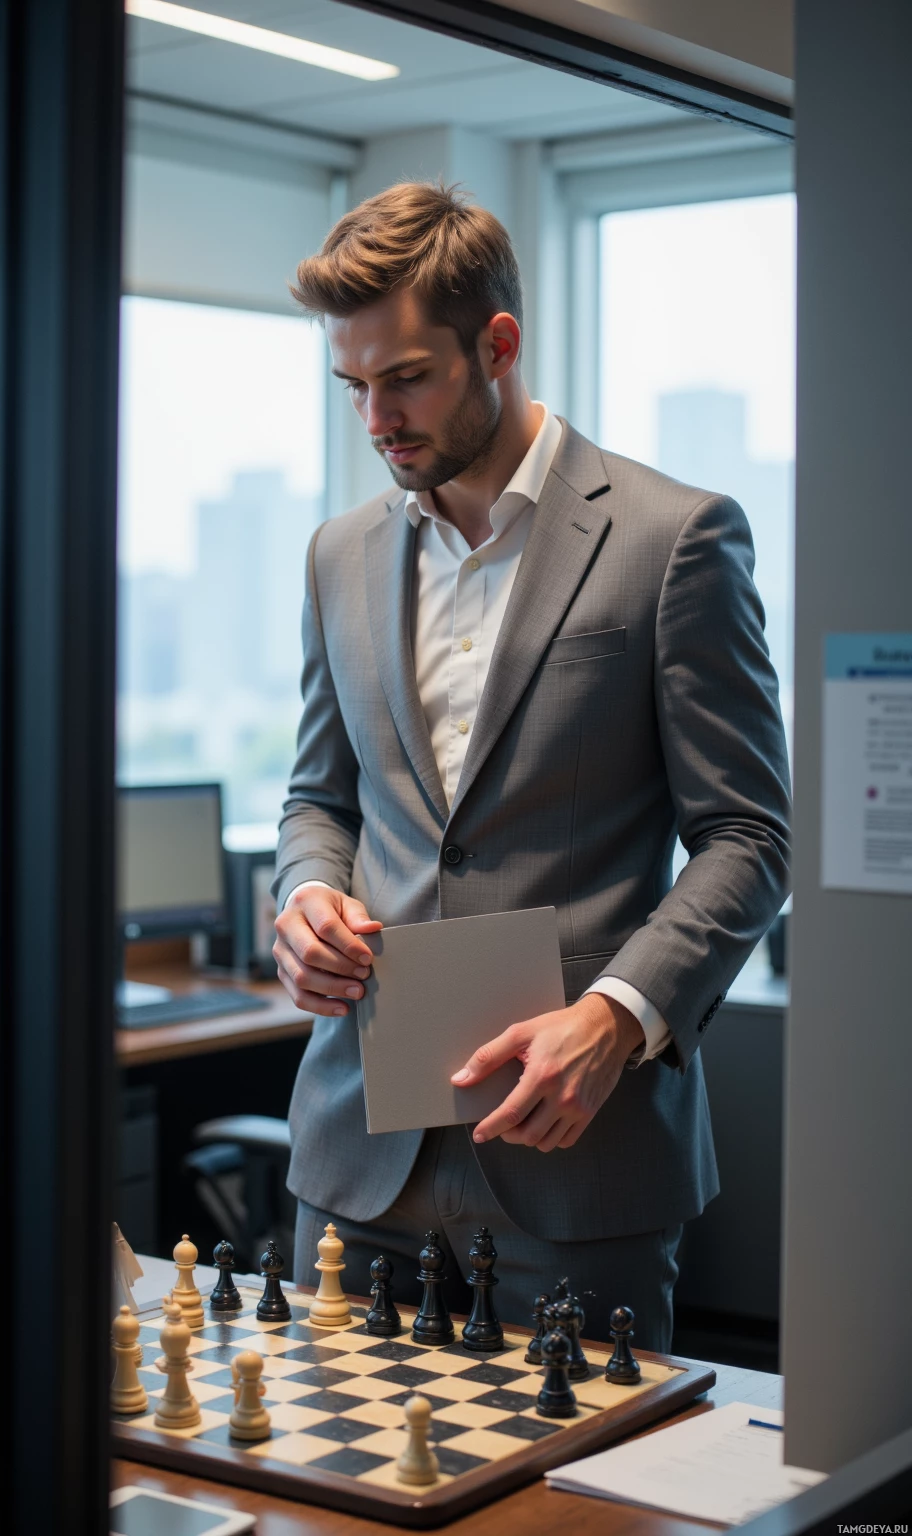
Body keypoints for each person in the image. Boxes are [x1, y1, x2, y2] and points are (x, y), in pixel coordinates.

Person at [271, 181, 790, 1349]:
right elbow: (318, 796)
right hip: (360, 1162)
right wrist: (304, 892)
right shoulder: (336, 556)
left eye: (405, 376)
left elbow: (750, 837)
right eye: (353, 386)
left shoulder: (675, 537)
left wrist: (618, 1015)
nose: (376, 419)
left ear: (496, 345)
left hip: (581, 1158)